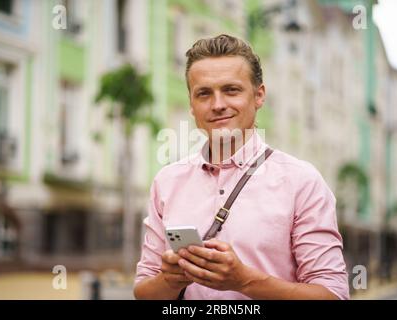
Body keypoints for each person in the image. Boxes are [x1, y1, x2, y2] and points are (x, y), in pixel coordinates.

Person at [133, 34, 349, 300]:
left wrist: (245, 281)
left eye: (231, 90)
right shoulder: (167, 182)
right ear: (191, 105)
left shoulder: (301, 181)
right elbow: (143, 291)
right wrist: (170, 280)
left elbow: (333, 295)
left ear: (259, 96)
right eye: (204, 94)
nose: (218, 104)